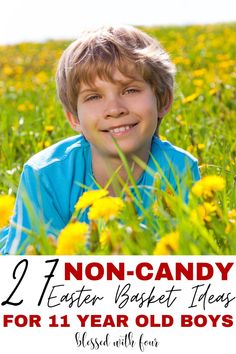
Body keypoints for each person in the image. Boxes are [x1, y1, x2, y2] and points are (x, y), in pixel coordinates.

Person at [2, 25, 200, 254]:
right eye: (94, 96)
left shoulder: (179, 169)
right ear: (74, 118)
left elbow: (186, 260)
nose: (114, 109)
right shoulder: (45, 174)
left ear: (163, 100)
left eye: (130, 90)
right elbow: (25, 274)